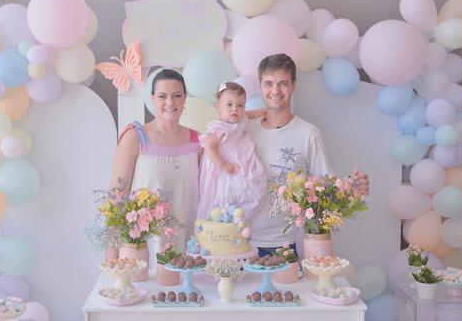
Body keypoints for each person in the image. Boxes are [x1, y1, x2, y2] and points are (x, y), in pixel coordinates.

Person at [246, 53, 333, 257]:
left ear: (294, 85)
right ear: (260, 86)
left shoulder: (308, 134)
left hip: (280, 244)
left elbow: (325, 186)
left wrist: (352, 187)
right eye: (268, 83)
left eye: (283, 83)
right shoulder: (245, 130)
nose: (275, 90)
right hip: (237, 241)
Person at [110, 68, 199, 258]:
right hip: (144, 249)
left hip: (189, 247)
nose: (170, 102)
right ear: (152, 99)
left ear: (185, 99)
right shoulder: (135, 137)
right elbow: (117, 194)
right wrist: (112, 250)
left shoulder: (197, 141)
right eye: (162, 96)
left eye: (176, 96)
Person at [197, 82, 266, 220]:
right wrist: (223, 164)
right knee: (222, 190)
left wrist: (260, 112)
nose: (235, 109)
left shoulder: (240, 120)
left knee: (245, 184)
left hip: (236, 156)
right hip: (220, 162)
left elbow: (247, 115)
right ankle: (222, 216)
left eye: (239, 105)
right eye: (229, 105)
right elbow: (210, 148)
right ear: (218, 107)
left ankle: (236, 215)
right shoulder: (220, 127)